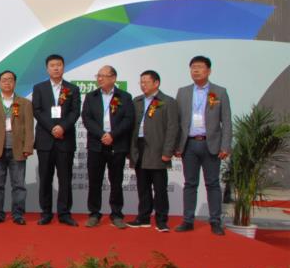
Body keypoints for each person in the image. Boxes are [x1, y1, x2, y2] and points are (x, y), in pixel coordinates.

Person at [175, 56, 231, 236]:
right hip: (189, 144)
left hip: (211, 143)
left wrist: (225, 146)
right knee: (190, 184)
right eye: (193, 67)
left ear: (209, 71)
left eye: (199, 67)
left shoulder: (219, 92)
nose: (196, 70)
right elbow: (177, 121)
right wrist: (177, 145)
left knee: (212, 183)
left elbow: (226, 121)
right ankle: (188, 220)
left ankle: (215, 221)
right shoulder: (183, 92)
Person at [80, 65, 134, 229]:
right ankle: (94, 213)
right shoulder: (91, 96)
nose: (100, 78)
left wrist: (112, 135)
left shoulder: (124, 96)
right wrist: (102, 134)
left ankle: (116, 214)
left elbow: (128, 119)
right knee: (94, 181)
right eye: (98, 75)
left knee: (116, 181)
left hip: (117, 145)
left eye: (103, 75)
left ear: (113, 78)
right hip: (96, 145)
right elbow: (87, 118)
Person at [32, 54, 81, 226]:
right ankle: (46, 212)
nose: (56, 68)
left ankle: (64, 213)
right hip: (45, 140)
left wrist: (62, 127)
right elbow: (37, 110)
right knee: (45, 178)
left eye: (59, 65)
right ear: (47, 69)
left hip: (65, 140)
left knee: (65, 179)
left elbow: (75, 112)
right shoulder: (39, 88)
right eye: (52, 65)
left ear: (63, 67)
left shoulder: (72, 89)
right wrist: (52, 128)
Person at [128, 70, 180, 232]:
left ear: (156, 83)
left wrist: (168, 151)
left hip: (158, 148)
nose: (143, 85)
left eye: (146, 82)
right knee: (142, 186)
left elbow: (173, 128)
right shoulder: (137, 101)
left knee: (159, 187)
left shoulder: (167, 102)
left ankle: (161, 220)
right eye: (141, 82)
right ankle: (143, 217)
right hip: (139, 147)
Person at [0, 70, 34, 225]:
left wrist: (28, 147)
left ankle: (18, 214)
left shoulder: (24, 103)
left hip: (18, 148)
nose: (7, 82)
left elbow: (29, 127)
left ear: (15, 83)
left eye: (10, 80)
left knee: (19, 185)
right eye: (4, 80)